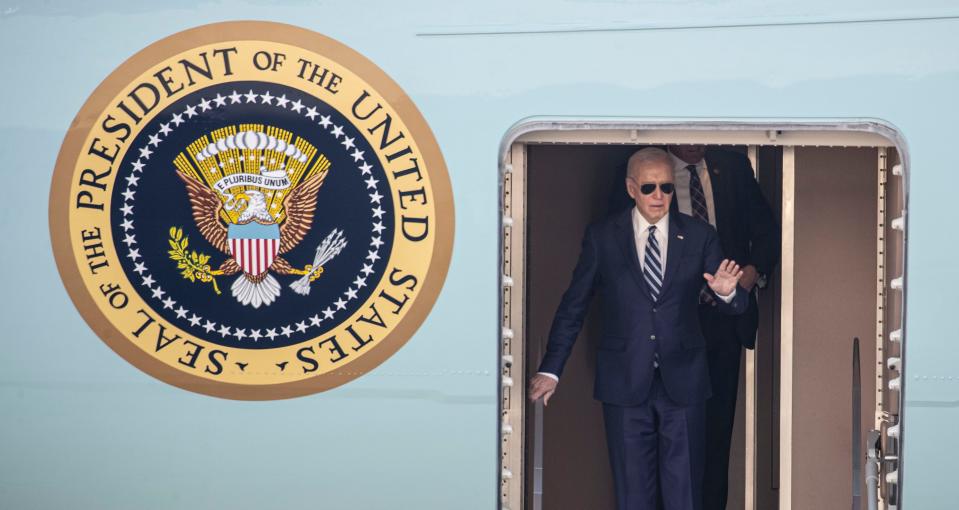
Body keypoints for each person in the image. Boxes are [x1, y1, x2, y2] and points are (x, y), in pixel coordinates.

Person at [529, 147, 748, 510]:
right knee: (633, 494)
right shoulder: (603, 237)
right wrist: (551, 369)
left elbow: (737, 302)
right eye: (649, 188)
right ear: (631, 188)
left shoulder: (699, 235)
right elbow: (575, 304)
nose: (659, 196)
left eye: (665, 186)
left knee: (686, 495)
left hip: (684, 383)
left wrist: (728, 294)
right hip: (625, 381)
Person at [666, 145, 779, 510]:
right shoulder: (647, 166)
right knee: (668, 434)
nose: (696, 142)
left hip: (723, 320)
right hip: (666, 324)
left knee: (716, 436)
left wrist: (751, 275)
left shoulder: (731, 165)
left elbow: (766, 230)